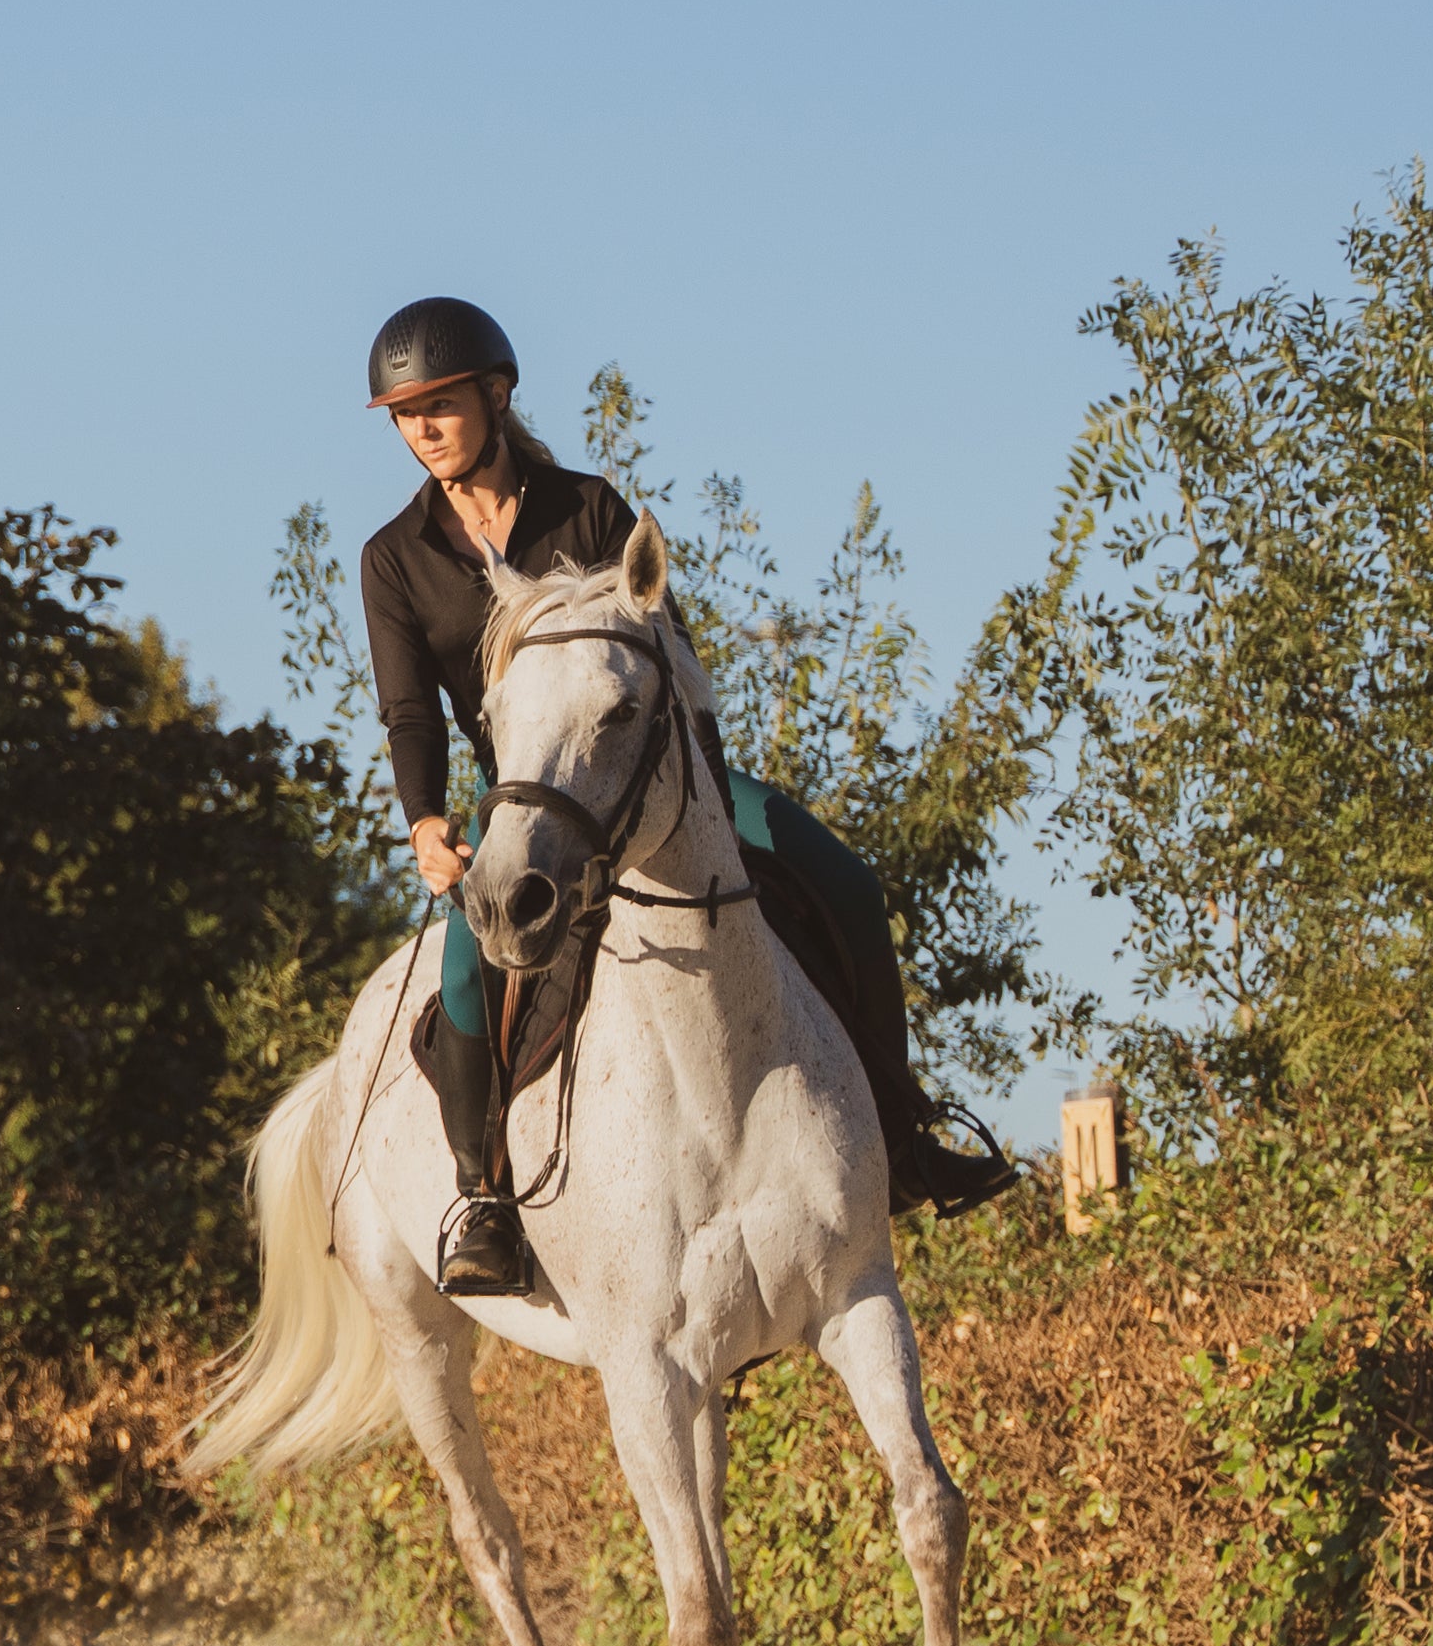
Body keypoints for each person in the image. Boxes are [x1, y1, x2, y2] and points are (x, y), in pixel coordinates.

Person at [352, 296, 1023, 1296]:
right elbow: (411, 711)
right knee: (462, 971)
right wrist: (425, 818)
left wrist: (702, 785)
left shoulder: (591, 510)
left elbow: (678, 663)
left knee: (843, 879)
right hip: (530, 807)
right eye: (407, 415)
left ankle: (904, 1129)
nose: (424, 430)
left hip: (662, 777)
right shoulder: (394, 559)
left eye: (440, 405)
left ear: (496, 395)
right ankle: (483, 1197)